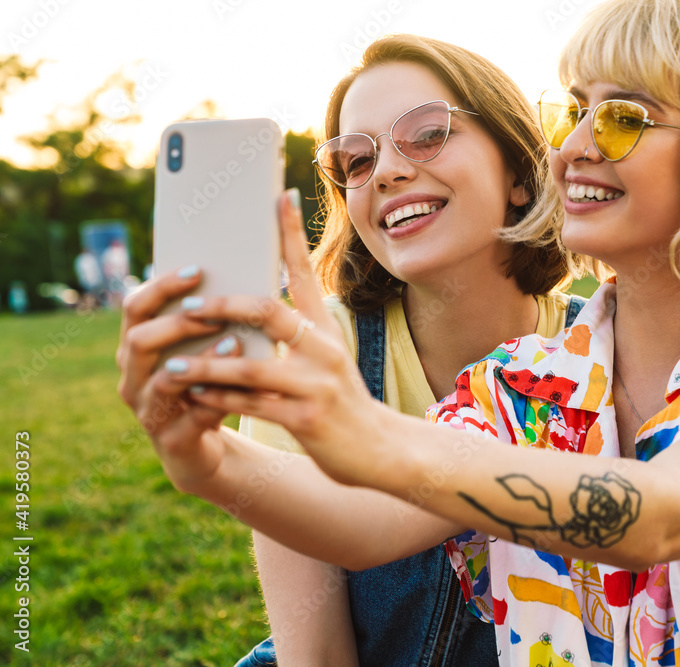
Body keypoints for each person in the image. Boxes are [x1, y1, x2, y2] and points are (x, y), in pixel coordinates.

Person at [138, 0, 680, 664]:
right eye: (575, 111)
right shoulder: (524, 383)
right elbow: (364, 527)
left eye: (622, 117)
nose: (575, 145)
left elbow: (656, 517)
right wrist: (204, 453)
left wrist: (369, 437)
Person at [116, 34, 591, 666]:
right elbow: (314, 654)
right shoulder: (314, 350)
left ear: (519, 174)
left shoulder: (600, 349)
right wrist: (203, 455)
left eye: (427, 133)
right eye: (355, 162)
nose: (388, 171)